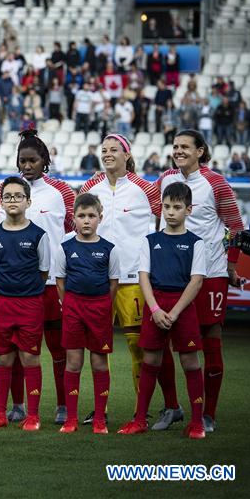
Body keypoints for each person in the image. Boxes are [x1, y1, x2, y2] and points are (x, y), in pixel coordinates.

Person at [154, 130, 244, 433]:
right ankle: (172, 407)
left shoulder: (216, 182)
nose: (178, 151)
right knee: (160, 341)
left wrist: (231, 267)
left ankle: (209, 414)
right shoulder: (165, 179)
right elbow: (154, 218)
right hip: (170, 274)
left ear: (200, 151)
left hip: (210, 273)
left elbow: (236, 227)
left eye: (185, 147)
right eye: (175, 146)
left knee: (209, 340)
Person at [79, 134, 161, 424]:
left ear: (127, 155)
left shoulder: (144, 188)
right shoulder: (90, 186)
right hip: (97, 280)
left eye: (114, 149)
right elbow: (77, 219)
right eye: (104, 150)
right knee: (98, 347)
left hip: (132, 278)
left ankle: (143, 409)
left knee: (139, 346)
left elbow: (164, 220)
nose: (108, 154)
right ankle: (100, 409)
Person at [117, 182, 207, 439]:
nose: (170, 212)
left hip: (183, 307)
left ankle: (197, 423)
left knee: (190, 362)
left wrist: (175, 312)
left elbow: (196, 280)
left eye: (177, 207)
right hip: (155, 305)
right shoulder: (150, 241)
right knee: (151, 360)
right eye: (166, 206)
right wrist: (155, 309)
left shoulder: (195, 243)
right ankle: (139, 419)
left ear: (189, 210)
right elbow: (143, 276)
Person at [6, 129, 74, 425]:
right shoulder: (9, 192)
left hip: (51, 284)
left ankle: (62, 405)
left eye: (32, 160)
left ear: (44, 161)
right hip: (18, 285)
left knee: (58, 348)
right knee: (19, 348)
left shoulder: (61, 192)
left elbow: (70, 230)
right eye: (22, 161)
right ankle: (18, 405)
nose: (27, 166)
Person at [0, 177, 51, 431]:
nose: (13, 200)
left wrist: (26, 290)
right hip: (1, 303)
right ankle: (0, 414)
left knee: (30, 358)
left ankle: (32, 416)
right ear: (1, 203)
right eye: (8, 196)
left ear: (28, 201)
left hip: (30, 303)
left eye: (18, 196)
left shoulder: (38, 235)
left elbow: (43, 271)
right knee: (2, 359)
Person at [52, 193, 121, 434]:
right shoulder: (65, 247)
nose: (87, 220)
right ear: (74, 219)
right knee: (73, 361)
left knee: (99, 362)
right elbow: (60, 281)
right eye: (81, 216)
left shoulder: (109, 249)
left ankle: (100, 418)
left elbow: (114, 283)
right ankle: (71, 418)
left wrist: (103, 307)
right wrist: (69, 305)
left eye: (91, 216)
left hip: (99, 309)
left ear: (100, 218)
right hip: (73, 308)